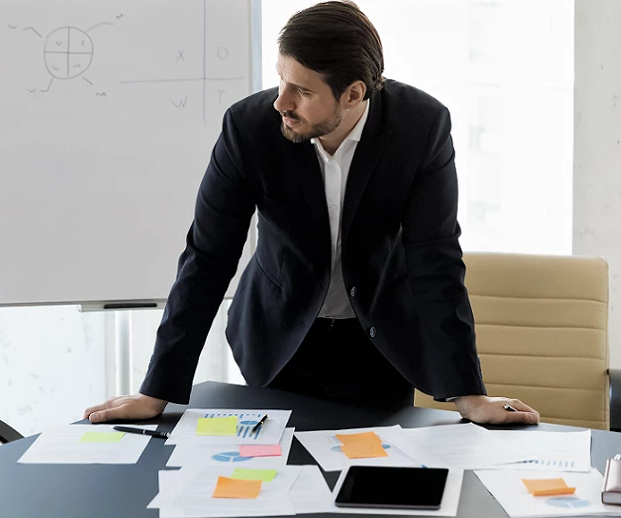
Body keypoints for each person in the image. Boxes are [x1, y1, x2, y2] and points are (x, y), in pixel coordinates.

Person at [85, 1, 539, 426]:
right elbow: (207, 257)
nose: (281, 102)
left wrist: (468, 394)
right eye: (281, 79)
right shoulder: (248, 129)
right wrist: (157, 389)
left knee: (370, 491)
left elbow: (435, 260)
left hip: (381, 341)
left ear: (354, 94)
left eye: (301, 90)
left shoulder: (421, 128)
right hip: (278, 337)